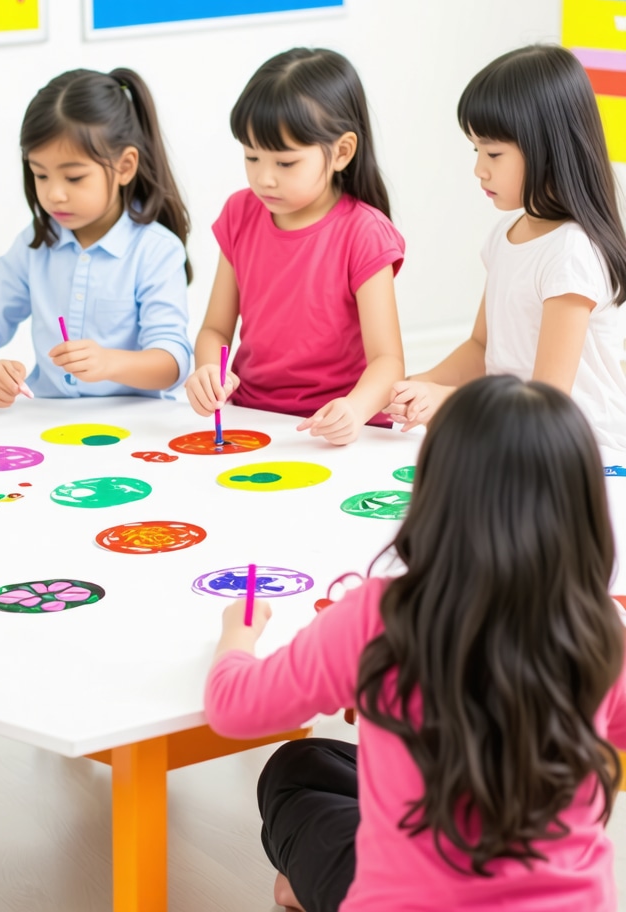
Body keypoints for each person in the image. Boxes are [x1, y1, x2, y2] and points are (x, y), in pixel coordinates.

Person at [206, 375, 626, 911]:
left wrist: (238, 633)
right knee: (321, 762)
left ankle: (305, 888)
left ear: (437, 493)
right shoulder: (600, 630)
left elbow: (232, 707)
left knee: (292, 774)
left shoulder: (381, 618)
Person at [387, 45, 626, 451]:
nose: (479, 169)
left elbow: (547, 401)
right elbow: (481, 349)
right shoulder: (505, 235)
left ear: (547, 149)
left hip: (582, 451)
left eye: (493, 153)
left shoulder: (571, 253)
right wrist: (416, 384)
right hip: (516, 435)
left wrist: (448, 400)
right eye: (476, 150)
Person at [184, 48, 405, 445]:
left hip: (338, 429)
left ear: (341, 152)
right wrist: (208, 370)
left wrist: (355, 409)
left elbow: (388, 361)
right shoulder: (239, 213)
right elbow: (215, 329)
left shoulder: (364, 232)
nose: (264, 178)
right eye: (252, 157)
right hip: (252, 417)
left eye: (285, 163)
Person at [0, 67, 192, 406]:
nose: (54, 195)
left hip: (134, 423)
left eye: (74, 178)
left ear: (125, 166)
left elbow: (173, 362)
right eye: (40, 175)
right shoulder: (35, 245)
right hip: (50, 420)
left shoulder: (156, 250)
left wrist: (110, 363)